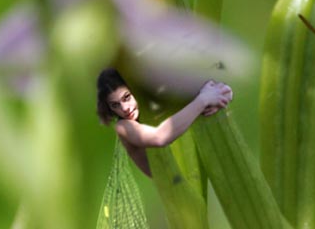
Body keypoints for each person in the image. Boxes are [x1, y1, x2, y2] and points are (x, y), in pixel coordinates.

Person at [96, 68, 233, 177]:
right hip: (176, 188)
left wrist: (222, 96)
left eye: (127, 97)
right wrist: (204, 100)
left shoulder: (154, 104)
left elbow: (220, 90)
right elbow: (159, 137)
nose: (124, 108)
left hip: (205, 164)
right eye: (115, 105)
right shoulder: (123, 127)